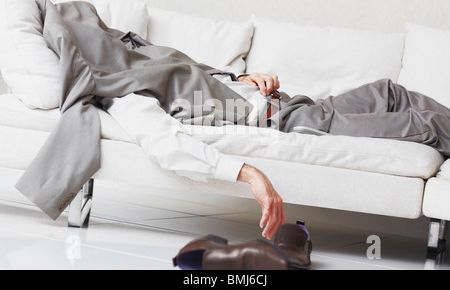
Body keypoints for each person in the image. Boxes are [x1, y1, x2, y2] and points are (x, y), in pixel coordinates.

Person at [106, 71, 450, 241]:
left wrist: (241, 79)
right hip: (288, 122)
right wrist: (250, 174)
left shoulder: (160, 65)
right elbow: (166, 145)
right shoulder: (124, 94)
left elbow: (211, 88)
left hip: (294, 102)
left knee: (387, 92)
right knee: (423, 125)